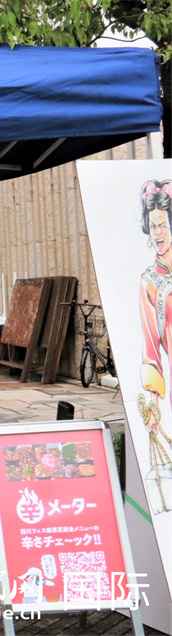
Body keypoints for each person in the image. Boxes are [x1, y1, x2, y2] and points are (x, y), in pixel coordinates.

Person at [137, 178, 172, 512]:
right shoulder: (151, 282)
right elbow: (152, 348)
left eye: (162, 224)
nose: (157, 233)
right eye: (152, 227)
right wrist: (152, 406)